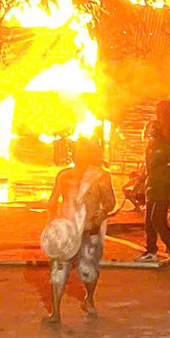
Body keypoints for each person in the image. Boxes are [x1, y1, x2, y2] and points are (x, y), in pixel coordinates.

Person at [43, 137, 115, 322]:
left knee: (87, 271)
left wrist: (100, 216)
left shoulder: (100, 177)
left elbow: (110, 203)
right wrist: (51, 224)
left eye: (83, 152)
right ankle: (55, 313)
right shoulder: (64, 175)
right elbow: (53, 201)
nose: (78, 155)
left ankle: (89, 298)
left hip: (89, 230)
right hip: (65, 231)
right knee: (58, 271)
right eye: (76, 151)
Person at [136, 119, 170, 262]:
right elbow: (149, 170)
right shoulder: (151, 148)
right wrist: (141, 183)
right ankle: (151, 251)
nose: (148, 139)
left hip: (163, 190)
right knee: (148, 223)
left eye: (150, 136)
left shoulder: (167, 149)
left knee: (157, 220)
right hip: (152, 189)